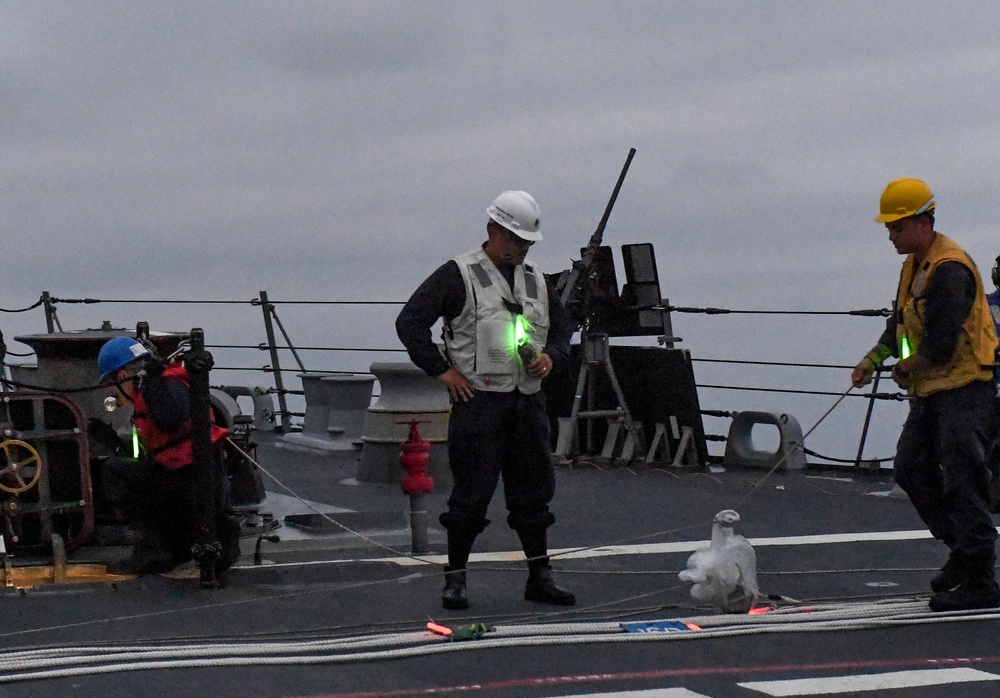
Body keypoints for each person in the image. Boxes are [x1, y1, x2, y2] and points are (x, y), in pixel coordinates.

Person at [395, 190, 576, 609]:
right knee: (471, 495)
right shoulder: (456, 275)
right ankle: (455, 579)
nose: (522, 248)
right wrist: (443, 371)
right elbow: (410, 323)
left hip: (527, 402)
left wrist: (550, 358)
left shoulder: (537, 282)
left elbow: (563, 331)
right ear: (493, 230)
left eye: (527, 243)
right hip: (479, 403)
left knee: (534, 494)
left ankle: (540, 576)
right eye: (515, 240)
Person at [851, 178, 1000, 612]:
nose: (891, 236)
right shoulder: (915, 266)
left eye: (897, 227)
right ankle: (966, 553)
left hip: (966, 389)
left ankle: (981, 581)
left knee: (963, 478)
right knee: (910, 468)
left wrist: (902, 368)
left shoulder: (950, 268)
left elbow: (939, 346)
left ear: (921, 222)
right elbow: (900, 329)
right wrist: (873, 360)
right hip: (933, 390)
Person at [98, 336, 240, 579]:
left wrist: (152, 384)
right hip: (197, 482)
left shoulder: (162, 387)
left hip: (191, 485)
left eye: (111, 383)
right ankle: (178, 546)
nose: (111, 391)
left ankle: (152, 550)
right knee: (139, 470)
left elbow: (172, 418)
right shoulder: (165, 383)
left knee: (116, 473)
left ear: (122, 376)